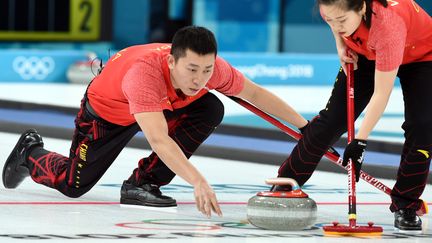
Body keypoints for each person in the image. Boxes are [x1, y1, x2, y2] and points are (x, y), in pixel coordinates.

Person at [2, 26, 308, 218]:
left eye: (206, 70)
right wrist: (198, 181)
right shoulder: (145, 76)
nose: (200, 79)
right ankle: (29, 152)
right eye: (192, 70)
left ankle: (143, 183)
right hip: (107, 114)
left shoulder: (211, 71)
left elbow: (255, 92)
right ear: (172, 61)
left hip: (157, 106)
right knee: (73, 184)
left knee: (209, 108)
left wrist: (305, 128)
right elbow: (160, 139)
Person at [275, 0, 432, 231]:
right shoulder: (333, 6)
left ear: (362, 8)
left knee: (423, 126)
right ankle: (286, 184)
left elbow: (382, 93)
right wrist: (340, 45)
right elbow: (334, 18)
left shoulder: (388, 25)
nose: (336, 25)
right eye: (330, 20)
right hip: (365, 54)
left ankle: (406, 204)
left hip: (421, 56)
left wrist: (360, 141)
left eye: (342, 21)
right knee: (331, 120)